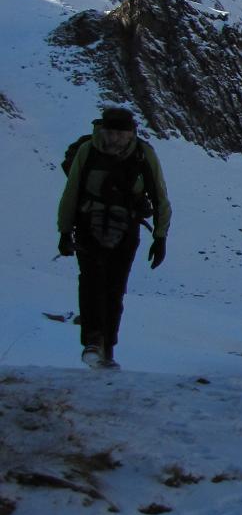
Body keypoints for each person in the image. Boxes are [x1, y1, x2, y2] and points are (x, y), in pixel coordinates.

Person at [56, 106, 171, 368]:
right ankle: (106, 349)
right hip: (125, 229)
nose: (117, 138)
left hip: (87, 225)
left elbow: (71, 193)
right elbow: (160, 196)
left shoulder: (89, 150)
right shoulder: (142, 153)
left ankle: (94, 343)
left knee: (91, 283)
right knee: (114, 288)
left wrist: (64, 231)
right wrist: (160, 237)